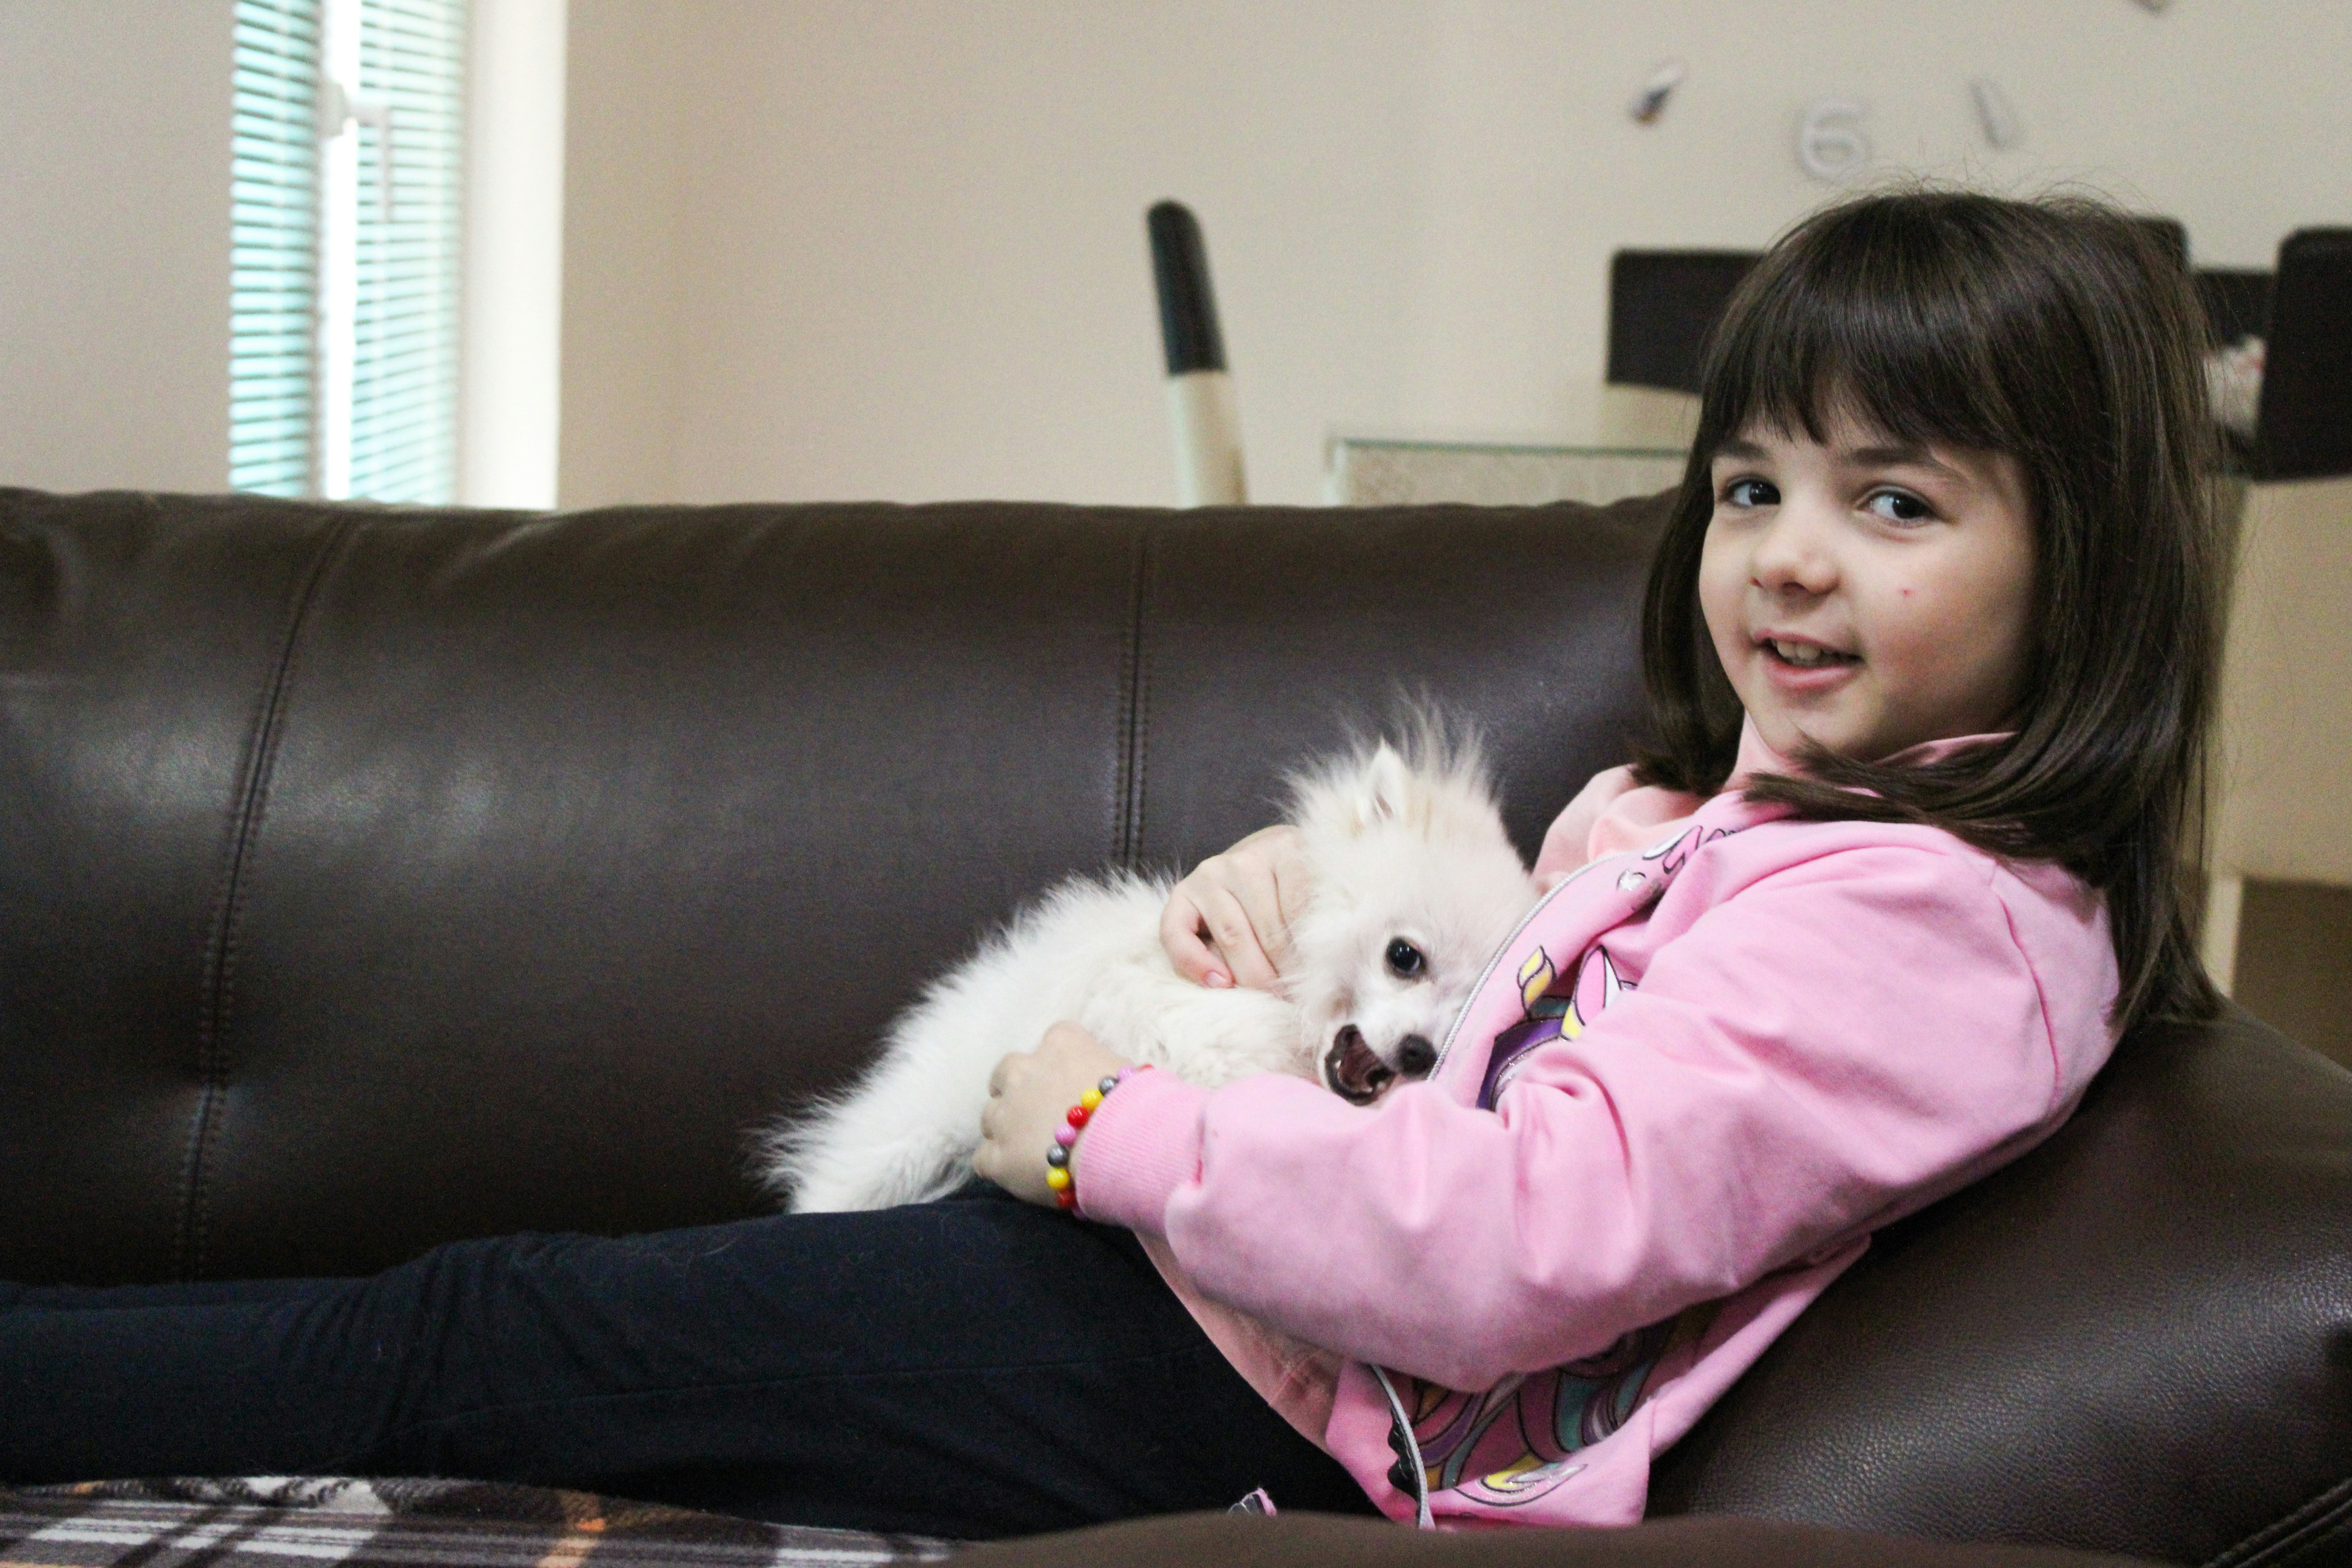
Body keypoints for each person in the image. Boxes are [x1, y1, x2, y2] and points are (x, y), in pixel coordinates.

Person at [0, 189, 2223, 1539]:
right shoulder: (1744, 820)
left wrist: (1110, 1132)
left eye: (1895, 502)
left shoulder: (1933, 928)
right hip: (1232, 1301)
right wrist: (1284, 877)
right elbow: (1500, 1013)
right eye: (1749, 487)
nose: (1788, 559)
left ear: (2086, 559)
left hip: (1238, 1371)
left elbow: (1537, 1230)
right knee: (549, 1322)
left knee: (489, 1329)